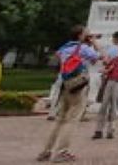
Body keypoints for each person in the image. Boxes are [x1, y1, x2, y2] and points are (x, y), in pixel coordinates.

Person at [38, 26, 100, 163]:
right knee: (71, 120)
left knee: (60, 120)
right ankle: (62, 151)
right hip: (77, 86)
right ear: (80, 36)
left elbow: (60, 58)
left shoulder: (64, 48)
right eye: (86, 34)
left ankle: (46, 151)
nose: (89, 36)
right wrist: (94, 43)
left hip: (64, 85)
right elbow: (102, 58)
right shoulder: (83, 48)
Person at [93, 41, 118, 140]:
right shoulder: (115, 59)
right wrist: (105, 69)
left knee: (114, 106)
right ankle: (98, 130)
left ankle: (111, 130)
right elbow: (109, 66)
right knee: (104, 105)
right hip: (110, 82)